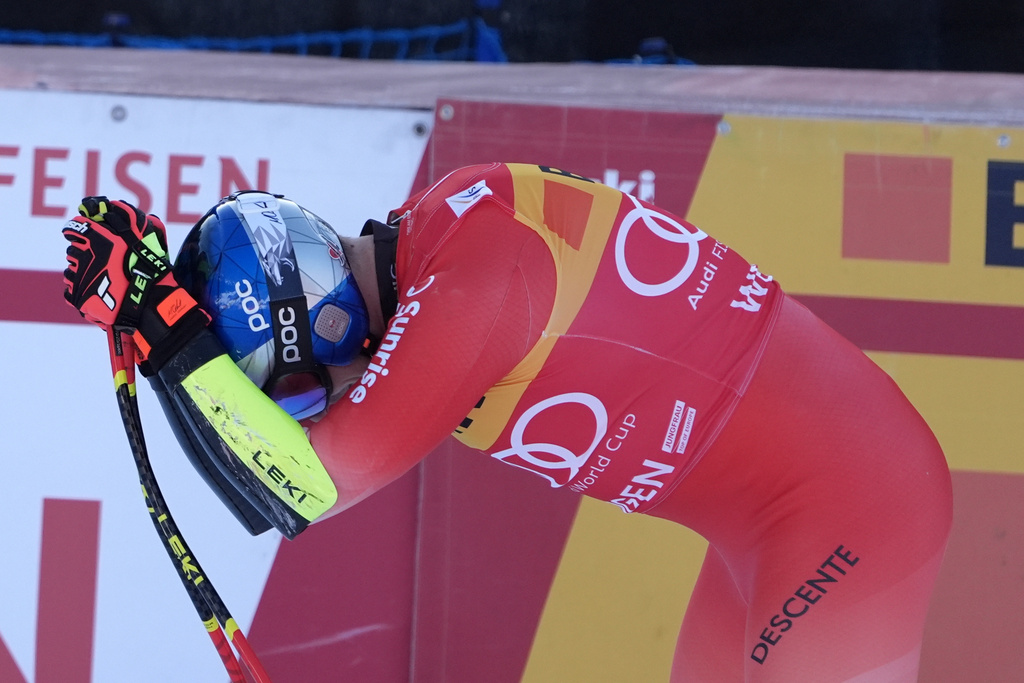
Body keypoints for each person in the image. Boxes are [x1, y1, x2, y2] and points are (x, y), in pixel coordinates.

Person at [62, 162, 952, 682]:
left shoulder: (471, 293)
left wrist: (169, 333)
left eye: (294, 394)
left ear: (320, 323)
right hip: (773, 523)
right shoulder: (441, 242)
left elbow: (293, 489)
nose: (311, 414)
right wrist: (160, 325)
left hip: (851, 510)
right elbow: (263, 477)